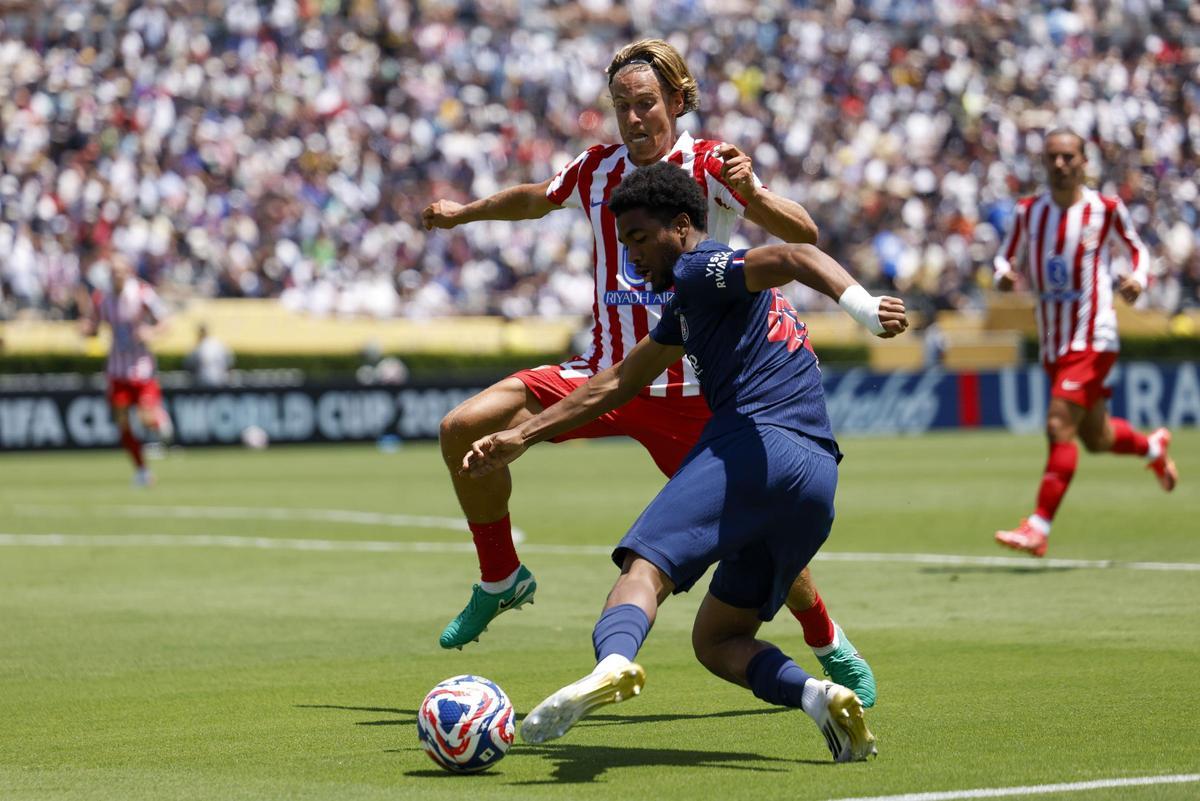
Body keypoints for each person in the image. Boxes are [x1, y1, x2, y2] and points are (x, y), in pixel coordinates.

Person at [421, 39, 874, 705]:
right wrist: (463, 213)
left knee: (770, 546)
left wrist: (751, 191)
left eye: (646, 105)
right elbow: (532, 198)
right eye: (622, 107)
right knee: (463, 428)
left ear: (676, 102)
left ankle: (830, 640)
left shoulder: (711, 162)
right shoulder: (596, 167)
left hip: (694, 392)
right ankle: (500, 578)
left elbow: (800, 232)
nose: (633, 119)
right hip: (607, 374)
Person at [460, 163, 907, 761]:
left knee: (644, 571)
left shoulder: (702, 269)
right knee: (718, 639)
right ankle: (819, 697)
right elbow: (615, 384)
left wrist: (863, 308)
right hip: (817, 479)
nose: (632, 257)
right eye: (624, 245)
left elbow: (795, 254)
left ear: (680, 225)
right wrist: (525, 436)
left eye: (641, 240)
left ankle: (615, 663)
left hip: (756, 446)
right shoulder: (694, 305)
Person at [992, 128, 1178, 557]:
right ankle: (1152, 446)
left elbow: (1138, 250)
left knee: (1059, 424)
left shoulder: (1104, 209)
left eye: (1068, 157)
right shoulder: (1027, 212)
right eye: (1052, 157)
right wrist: (1004, 273)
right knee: (1095, 437)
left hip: (1094, 334)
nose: (1060, 165)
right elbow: (1006, 255)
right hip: (1054, 342)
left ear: (1083, 162)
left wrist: (1138, 278)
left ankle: (1038, 526)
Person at [80, 252, 173, 486]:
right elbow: (94, 324)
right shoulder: (102, 298)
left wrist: (151, 332)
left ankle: (158, 420)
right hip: (117, 370)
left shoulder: (142, 293)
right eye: (113, 272)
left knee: (145, 417)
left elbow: (165, 322)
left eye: (120, 271)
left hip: (142, 368)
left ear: (129, 272)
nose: (116, 275)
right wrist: (85, 328)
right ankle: (141, 470)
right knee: (122, 423)